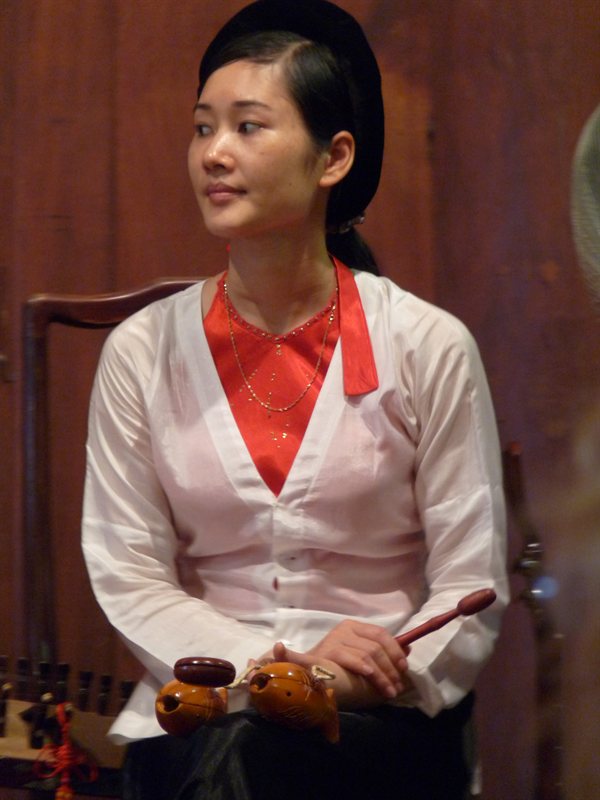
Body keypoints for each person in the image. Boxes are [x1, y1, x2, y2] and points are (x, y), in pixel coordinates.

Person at [81, 2, 508, 798]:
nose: (214, 154)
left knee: (255, 762)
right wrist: (271, 672)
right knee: (236, 749)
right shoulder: (141, 352)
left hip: (380, 716)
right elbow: (129, 572)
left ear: (333, 157)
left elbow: (472, 583)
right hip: (205, 707)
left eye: (248, 127)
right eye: (203, 128)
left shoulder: (426, 344)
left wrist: (353, 679)